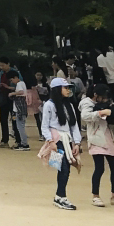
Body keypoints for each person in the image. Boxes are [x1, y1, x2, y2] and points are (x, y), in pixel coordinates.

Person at [80, 84, 114, 208]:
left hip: (107, 136)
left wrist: (113, 112)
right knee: (99, 168)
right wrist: (101, 112)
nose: (105, 100)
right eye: (103, 97)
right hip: (96, 138)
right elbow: (85, 116)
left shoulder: (107, 103)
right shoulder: (86, 103)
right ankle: (95, 196)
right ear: (96, 95)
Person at [39, 77, 83, 211]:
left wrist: (77, 143)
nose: (68, 90)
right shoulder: (49, 105)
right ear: (57, 90)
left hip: (67, 141)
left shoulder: (69, 105)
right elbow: (44, 126)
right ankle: (60, 196)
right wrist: (50, 141)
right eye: (65, 88)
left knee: (65, 168)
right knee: (62, 167)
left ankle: (60, 196)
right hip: (56, 141)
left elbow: (74, 126)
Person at [0, 57, 23, 149]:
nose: (1, 67)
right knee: (3, 119)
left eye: (2, 65)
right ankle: (4, 140)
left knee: (14, 120)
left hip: (13, 99)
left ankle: (18, 140)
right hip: (3, 98)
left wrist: (9, 87)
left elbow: (20, 86)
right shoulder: (0, 73)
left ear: (8, 64)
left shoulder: (16, 73)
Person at [26, 71, 46, 141]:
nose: (39, 77)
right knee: (38, 119)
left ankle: (45, 133)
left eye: (40, 75)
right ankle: (41, 133)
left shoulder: (45, 84)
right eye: (37, 75)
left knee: (44, 119)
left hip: (44, 102)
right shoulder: (32, 85)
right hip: (36, 104)